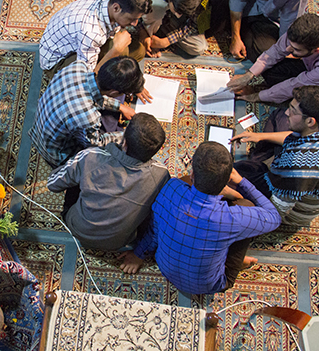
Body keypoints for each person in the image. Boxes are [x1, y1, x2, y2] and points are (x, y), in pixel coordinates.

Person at [119, 142, 281, 295]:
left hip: (165, 268)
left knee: (179, 188)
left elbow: (154, 229)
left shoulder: (171, 187)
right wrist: (242, 182)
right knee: (247, 206)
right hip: (211, 285)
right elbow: (274, 217)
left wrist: (138, 254)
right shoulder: (233, 218)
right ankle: (232, 264)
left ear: (193, 173)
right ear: (227, 181)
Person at [46, 113, 170, 251]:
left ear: (124, 143)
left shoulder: (90, 157)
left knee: (77, 174)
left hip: (78, 228)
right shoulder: (162, 175)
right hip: (119, 242)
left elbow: (52, 184)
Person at [232, 86, 319, 227]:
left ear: (310, 121)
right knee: (279, 116)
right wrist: (259, 136)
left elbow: (277, 209)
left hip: (291, 210)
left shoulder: (297, 165)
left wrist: (238, 191)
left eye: (293, 111)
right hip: (301, 181)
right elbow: (297, 137)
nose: (288, 112)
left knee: (230, 178)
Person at [227, 13, 319, 123]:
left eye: (296, 49)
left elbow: (294, 85)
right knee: (264, 58)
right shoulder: (309, 24)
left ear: (317, 50)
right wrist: (249, 75)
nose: (288, 49)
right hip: (310, 70)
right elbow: (277, 50)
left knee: (311, 124)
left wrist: (258, 96)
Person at [29, 56, 144, 169]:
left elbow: (92, 93)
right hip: (56, 154)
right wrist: (127, 134)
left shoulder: (79, 66)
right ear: (113, 92)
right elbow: (96, 143)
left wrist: (120, 107)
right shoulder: (89, 117)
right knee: (110, 155)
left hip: (38, 131)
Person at [39, 0, 151, 77]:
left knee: (139, 51)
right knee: (115, 65)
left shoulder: (110, 0)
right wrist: (116, 50)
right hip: (57, 64)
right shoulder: (90, 32)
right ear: (116, 8)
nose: (135, 24)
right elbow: (87, 77)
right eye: (131, 19)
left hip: (78, 42)